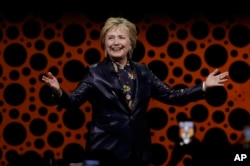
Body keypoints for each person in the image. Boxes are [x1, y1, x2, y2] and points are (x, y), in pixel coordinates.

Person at [42, 17, 229, 166]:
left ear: (131, 44)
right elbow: (74, 101)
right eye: (110, 38)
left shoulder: (143, 71)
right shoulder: (95, 73)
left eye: (121, 37)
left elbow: (172, 96)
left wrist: (203, 86)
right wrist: (59, 92)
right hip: (105, 150)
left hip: (139, 151)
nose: (116, 42)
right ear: (104, 44)